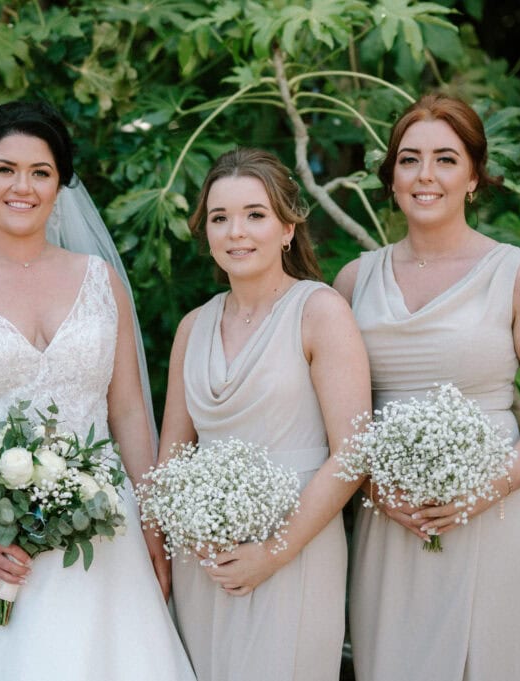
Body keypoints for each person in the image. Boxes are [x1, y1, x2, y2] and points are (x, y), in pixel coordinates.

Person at [0, 100, 194, 681]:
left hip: (101, 530)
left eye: (41, 172)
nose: (21, 187)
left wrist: (152, 523)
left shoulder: (100, 280)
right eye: (5, 169)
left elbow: (128, 409)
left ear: (60, 185)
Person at [333, 93, 520, 681]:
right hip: (390, 524)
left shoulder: (517, 275)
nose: (426, 176)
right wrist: (375, 485)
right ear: (391, 176)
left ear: (474, 176)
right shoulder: (353, 281)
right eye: (409, 159)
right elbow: (337, 415)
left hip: (495, 520)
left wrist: (482, 489)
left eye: (446, 159)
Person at [158, 147, 371, 680]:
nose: (236, 232)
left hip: (295, 549)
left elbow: (353, 454)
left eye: (255, 214)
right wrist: (184, 536)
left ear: (287, 228)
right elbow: (172, 459)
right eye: (220, 217)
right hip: (202, 557)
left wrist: (272, 553)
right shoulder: (193, 327)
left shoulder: (319, 311)